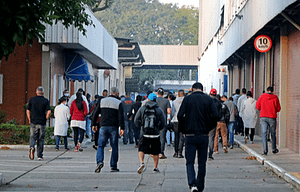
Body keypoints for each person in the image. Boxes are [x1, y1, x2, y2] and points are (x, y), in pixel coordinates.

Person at [177, 82, 219, 192]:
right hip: (203, 134)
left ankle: (192, 184)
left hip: (190, 135)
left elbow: (180, 115)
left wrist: (183, 129)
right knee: (202, 162)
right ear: (201, 89)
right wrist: (209, 127)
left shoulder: (187, 99)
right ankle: (200, 185)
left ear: (193, 89)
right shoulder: (208, 100)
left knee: (189, 161)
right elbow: (215, 115)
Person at [92, 87, 124, 173]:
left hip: (103, 126)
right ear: (117, 93)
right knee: (114, 146)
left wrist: (94, 124)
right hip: (114, 127)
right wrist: (122, 128)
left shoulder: (102, 101)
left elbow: (96, 113)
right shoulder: (118, 103)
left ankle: (99, 161)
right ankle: (113, 166)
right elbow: (121, 116)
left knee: (100, 145)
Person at [134, 93, 165, 174]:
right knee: (156, 151)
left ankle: (142, 163)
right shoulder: (159, 110)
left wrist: (141, 127)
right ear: (155, 100)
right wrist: (158, 129)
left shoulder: (142, 109)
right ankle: (155, 167)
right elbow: (163, 122)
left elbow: (136, 120)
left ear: (148, 99)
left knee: (141, 149)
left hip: (144, 133)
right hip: (155, 134)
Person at [27, 86, 51, 161]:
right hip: (42, 122)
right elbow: (49, 111)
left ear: (36, 92)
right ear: (43, 92)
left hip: (33, 121)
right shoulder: (45, 100)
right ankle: (40, 156)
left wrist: (29, 119)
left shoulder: (32, 100)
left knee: (32, 137)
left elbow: (28, 110)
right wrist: (46, 118)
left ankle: (32, 147)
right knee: (41, 139)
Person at [256, 86, 281, 156]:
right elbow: (278, 109)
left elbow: (257, 106)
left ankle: (265, 150)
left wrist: (262, 108)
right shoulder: (275, 98)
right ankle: (273, 148)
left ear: (267, 90)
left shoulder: (262, 97)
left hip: (263, 117)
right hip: (272, 117)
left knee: (264, 133)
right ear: (273, 91)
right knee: (273, 133)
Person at [156, 88, 171, 159]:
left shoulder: (154, 100)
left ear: (157, 93)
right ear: (163, 93)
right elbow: (169, 111)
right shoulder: (166, 101)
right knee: (162, 138)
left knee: (155, 137)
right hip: (163, 121)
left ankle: (154, 152)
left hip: (154, 122)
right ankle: (161, 153)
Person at [207, 89, 221, 160]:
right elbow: (220, 114)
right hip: (214, 122)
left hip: (206, 122)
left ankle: (203, 152)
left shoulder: (206, 101)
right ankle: (210, 154)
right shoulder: (218, 103)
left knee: (205, 137)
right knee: (211, 138)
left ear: (210, 94)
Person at [171, 90, 185, 158]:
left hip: (176, 120)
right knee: (181, 137)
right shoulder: (185, 101)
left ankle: (175, 152)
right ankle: (180, 152)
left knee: (176, 136)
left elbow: (173, 112)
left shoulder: (174, 102)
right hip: (183, 120)